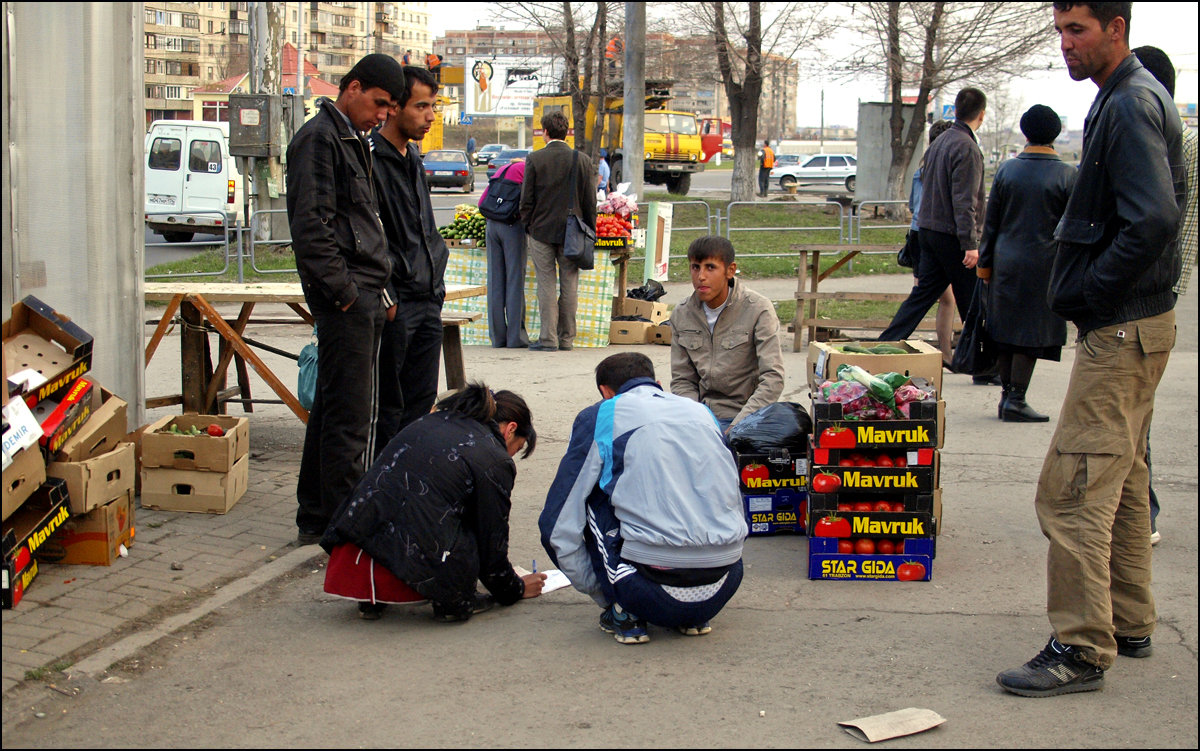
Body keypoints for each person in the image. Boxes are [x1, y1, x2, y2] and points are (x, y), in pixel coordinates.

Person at [997, 1, 1185, 698]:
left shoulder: (1131, 103)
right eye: (1060, 32)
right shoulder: (1131, 96)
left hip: (1121, 328)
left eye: (1077, 30)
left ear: (1116, 28)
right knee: (1125, 476)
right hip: (1139, 325)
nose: (1067, 45)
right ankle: (1129, 620)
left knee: (1073, 490)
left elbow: (1154, 219)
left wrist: (1093, 291)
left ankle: (1080, 644)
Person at [539, 353, 748, 644]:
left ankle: (626, 613)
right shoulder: (702, 412)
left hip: (641, 589)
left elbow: (556, 523)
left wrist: (606, 594)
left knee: (586, 495)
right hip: (726, 579)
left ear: (605, 392)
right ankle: (693, 614)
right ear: (658, 384)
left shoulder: (602, 414)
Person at [285, 54, 407, 546]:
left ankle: (317, 517)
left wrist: (380, 289)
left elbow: (365, 221)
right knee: (352, 418)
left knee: (337, 410)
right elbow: (311, 228)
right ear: (352, 88)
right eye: (379, 104)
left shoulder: (352, 139)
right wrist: (348, 296)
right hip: (347, 299)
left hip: (362, 292)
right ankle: (344, 530)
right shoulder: (319, 139)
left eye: (389, 108)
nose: (382, 115)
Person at [322, 385, 546, 621]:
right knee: (466, 523)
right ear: (510, 429)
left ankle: (372, 603)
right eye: (517, 448)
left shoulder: (433, 421)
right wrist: (514, 589)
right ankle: (449, 602)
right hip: (403, 573)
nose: (510, 456)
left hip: (349, 560)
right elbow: (491, 536)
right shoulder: (494, 458)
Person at [1133, 44, 1197, 546]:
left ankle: (1140, 512)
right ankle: (1141, 512)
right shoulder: (1186, 140)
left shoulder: (1156, 137)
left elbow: (1150, 221)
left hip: (1149, 295)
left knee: (1133, 412)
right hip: (1171, 288)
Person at [975, 104, 1076, 423]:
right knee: (1032, 332)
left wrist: (985, 266)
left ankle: (1008, 397)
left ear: (1024, 131)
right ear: (1056, 134)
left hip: (1006, 261)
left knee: (1005, 329)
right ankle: (1016, 398)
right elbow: (1072, 229)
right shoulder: (1067, 175)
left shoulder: (1007, 170)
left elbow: (991, 223)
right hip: (1044, 264)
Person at [370, 66, 451, 454]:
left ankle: (410, 484)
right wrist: (389, 297)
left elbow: (426, 228)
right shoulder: (370, 160)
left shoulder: (414, 157)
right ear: (394, 107)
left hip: (427, 299)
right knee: (389, 407)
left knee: (421, 404)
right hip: (397, 304)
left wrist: (437, 285)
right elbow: (371, 238)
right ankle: (380, 490)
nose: (430, 116)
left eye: (432, 106)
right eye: (421, 106)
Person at [879, 88, 988, 357]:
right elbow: (965, 200)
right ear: (982, 115)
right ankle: (981, 363)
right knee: (973, 303)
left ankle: (882, 345)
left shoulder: (941, 141)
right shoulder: (967, 147)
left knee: (922, 296)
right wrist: (970, 243)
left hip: (929, 231)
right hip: (953, 236)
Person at [669, 235, 784, 433]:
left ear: (730, 270)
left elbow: (773, 378)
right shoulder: (682, 313)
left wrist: (736, 427)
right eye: (695, 267)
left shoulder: (758, 309)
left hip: (748, 416)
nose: (701, 276)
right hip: (702, 416)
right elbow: (682, 380)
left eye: (710, 267)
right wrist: (695, 419)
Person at [520, 110, 596, 352]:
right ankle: (567, 339)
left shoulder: (535, 158)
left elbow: (526, 200)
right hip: (573, 233)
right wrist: (590, 230)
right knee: (569, 284)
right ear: (567, 132)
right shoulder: (582, 160)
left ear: (545, 132)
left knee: (546, 284)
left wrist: (528, 225)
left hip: (541, 231)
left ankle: (548, 339)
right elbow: (590, 201)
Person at [907, 120, 957, 365]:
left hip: (918, 236)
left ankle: (945, 353)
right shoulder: (939, 169)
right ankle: (944, 354)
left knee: (942, 298)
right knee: (933, 298)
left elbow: (911, 205)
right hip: (931, 236)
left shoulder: (922, 168)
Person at [479, 156, 530, 348]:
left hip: (492, 226)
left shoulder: (501, 171)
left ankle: (497, 337)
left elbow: (482, 201)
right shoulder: (527, 170)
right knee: (514, 281)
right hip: (512, 227)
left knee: (495, 282)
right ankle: (515, 338)